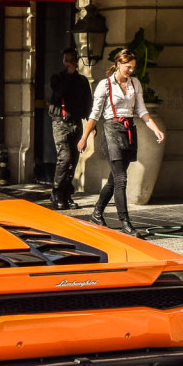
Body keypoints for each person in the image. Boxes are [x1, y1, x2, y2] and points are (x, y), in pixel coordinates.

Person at [77, 47, 166, 235]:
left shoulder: (135, 84)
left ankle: (97, 212)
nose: (131, 71)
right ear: (118, 64)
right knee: (121, 179)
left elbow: (141, 111)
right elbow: (95, 114)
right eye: (128, 67)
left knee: (114, 179)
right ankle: (125, 223)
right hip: (111, 130)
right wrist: (84, 137)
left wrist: (156, 129)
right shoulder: (105, 85)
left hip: (128, 131)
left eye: (133, 67)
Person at [48, 47, 93, 210]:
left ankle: (67, 194)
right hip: (60, 122)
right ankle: (57, 192)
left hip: (76, 123)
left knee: (73, 161)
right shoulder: (57, 78)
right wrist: (69, 74)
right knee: (64, 158)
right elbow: (58, 93)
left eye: (72, 61)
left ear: (76, 61)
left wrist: (91, 124)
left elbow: (88, 103)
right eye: (66, 61)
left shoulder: (82, 81)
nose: (69, 64)